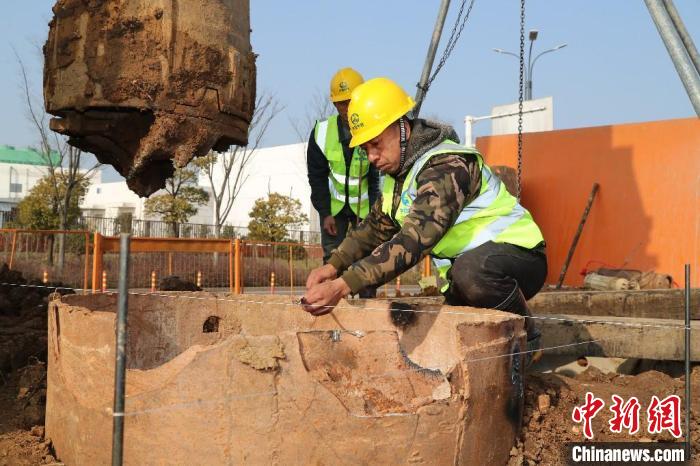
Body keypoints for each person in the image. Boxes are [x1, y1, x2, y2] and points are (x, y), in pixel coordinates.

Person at [303, 77, 547, 357]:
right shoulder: (398, 177)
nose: (371, 157)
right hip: (466, 272)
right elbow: (374, 228)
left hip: (520, 258)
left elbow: (414, 240)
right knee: (457, 324)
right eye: (365, 149)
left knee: (471, 275)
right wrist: (333, 266)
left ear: (401, 127)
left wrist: (343, 285)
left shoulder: (447, 166)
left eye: (376, 144)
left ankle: (529, 333)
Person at [306, 68, 380, 297]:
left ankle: (367, 308)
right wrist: (325, 212)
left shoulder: (373, 129)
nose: (346, 109)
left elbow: (376, 177)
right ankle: (330, 305)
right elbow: (316, 177)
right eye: (340, 104)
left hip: (365, 210)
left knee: (367, 260)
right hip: (334, 211)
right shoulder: (322, 132)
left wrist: (373, 213)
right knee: (332, 260)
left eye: (350, 102)